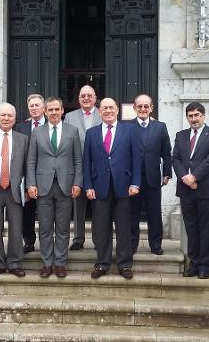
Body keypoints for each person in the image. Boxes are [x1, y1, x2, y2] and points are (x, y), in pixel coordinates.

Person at [83, 97, 141, 279]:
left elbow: (136, 159)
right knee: (101, 228)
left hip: (123, 187)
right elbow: (86, 162)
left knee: (124, 227)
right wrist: (88, 186)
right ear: (99, 112)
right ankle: (102, 264)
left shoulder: (129, 130)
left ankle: (124, 264)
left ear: (117, 110)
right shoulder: (91, 133)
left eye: (111, 108)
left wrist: (135, 183)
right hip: (100, 187)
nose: (108, 111)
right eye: (104, 108)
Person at [26, 97, 82, 278]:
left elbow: (78, 160)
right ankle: (47, 263)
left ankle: (60, 263)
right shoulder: (37, 132)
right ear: (45, 112)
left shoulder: (72, 131)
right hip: (43, 187)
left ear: (62, 110)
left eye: (57, 109)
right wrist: (31, 184)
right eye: (50, 110)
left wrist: (77, 183)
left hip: (66, 186)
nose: (54, 113)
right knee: (45, 228)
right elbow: (31, 160)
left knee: (63, 228)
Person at [172, 102, 209, 279]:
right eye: (190, 115)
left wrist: (195, 177)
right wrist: (185, 178)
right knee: (191, 228)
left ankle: (205, 266)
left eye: (197, 115)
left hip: (207, 189)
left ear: (203, 116)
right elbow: (175, 159)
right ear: (187, 117)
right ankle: (193, 264)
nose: (194, 119)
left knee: (206, 229)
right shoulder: (181, 135)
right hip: (186, 190)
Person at [0, 103, 29, 278]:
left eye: (10, 115)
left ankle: (15, 263)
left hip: (15, 190)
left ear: (14, 118)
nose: (6, 118)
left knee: (16, 228)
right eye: (3, 115)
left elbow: (28, 166)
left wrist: (28, 188)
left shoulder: (23, 139)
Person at [130, 94, 172, 255]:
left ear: (151, 108)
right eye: (139, 106)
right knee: (132, 214)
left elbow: (166, 152)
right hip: (133, 179)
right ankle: (132, 244)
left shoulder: (160, 127)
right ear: (134, 108)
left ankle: (155, 245)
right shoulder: (126, 126)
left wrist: (167, 172)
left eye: (146, 106)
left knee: (154, 213)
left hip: (153, 178)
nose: (143, 109)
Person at [64, 85, 102, 251]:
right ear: (79, 99)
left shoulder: (104, 114)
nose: (86, 98)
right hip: (77, 167)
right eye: (82, 96)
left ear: (95, 98)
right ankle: (78, 239)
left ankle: (98, 239)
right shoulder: (70, 117)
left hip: (99, 169)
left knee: (99, 206)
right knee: (78, 206)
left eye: (89, 95)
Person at [15, 94, 46, 254]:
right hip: (27, 177)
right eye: (31, 105)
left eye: (37, 105)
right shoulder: (21, 127)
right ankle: (29, 242)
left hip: (48, 177)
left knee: (46, 213)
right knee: (27, 213)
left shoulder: (53, 125)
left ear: (44, 108)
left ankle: (47, 244)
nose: (34, 108)